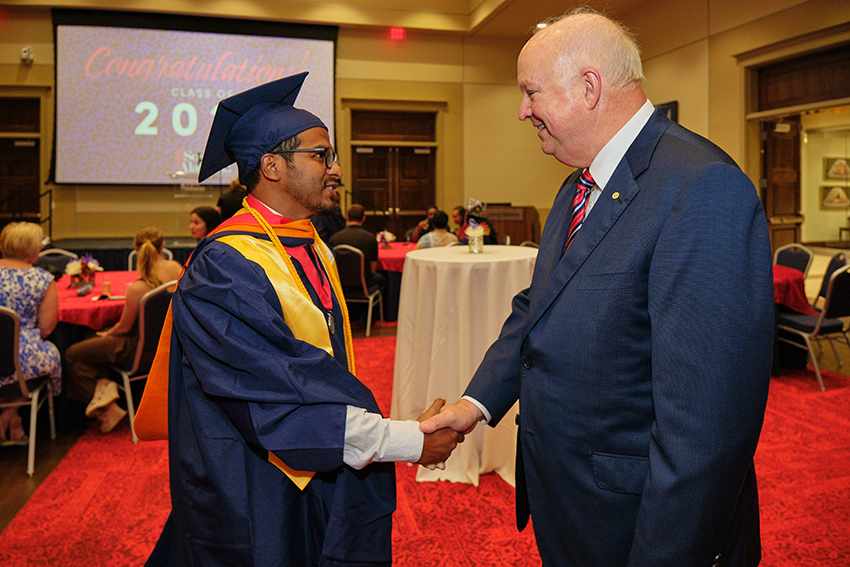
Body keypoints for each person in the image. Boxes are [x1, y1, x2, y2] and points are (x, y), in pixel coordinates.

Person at [420, 8, 774, 567]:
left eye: (531, 93)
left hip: (643, 523)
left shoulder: (702, 188)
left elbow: (707, 429)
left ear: (588, 86)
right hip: (574, 504)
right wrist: (475, 404)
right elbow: (539, 309)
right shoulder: (576, 185)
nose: (521, 111)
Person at [136, 72, 460, 567]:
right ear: (272, 166)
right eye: (320, 155)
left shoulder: (311, 245)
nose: (336, 169)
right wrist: (406, 440)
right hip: (252, 478)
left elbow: (314, 376)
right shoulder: (225, 266)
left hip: (319, 458)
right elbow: (272, 397)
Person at [64, 227, 182, 433]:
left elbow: (124, 327)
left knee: (74, 353)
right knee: (93, 336)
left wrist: (108, 333)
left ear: (135, 248)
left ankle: (106, 404)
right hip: (168, 344)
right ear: (162, 246)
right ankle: (104, 387)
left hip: (137, 349)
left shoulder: (139, 288)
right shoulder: (176, 268)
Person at [0, 222, 61, 444]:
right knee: (43, 357)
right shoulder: (42, 280)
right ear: (31, 249)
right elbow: (46, 328)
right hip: (21, 358)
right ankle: (8, 415)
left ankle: (12, 420)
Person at [329, 203, 386, 293]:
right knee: (382, 279)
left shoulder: (334, 238)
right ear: (363, 219)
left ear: (347, 217)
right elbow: (373, 268)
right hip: (363, 285)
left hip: (340, 286)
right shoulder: (370, 238)